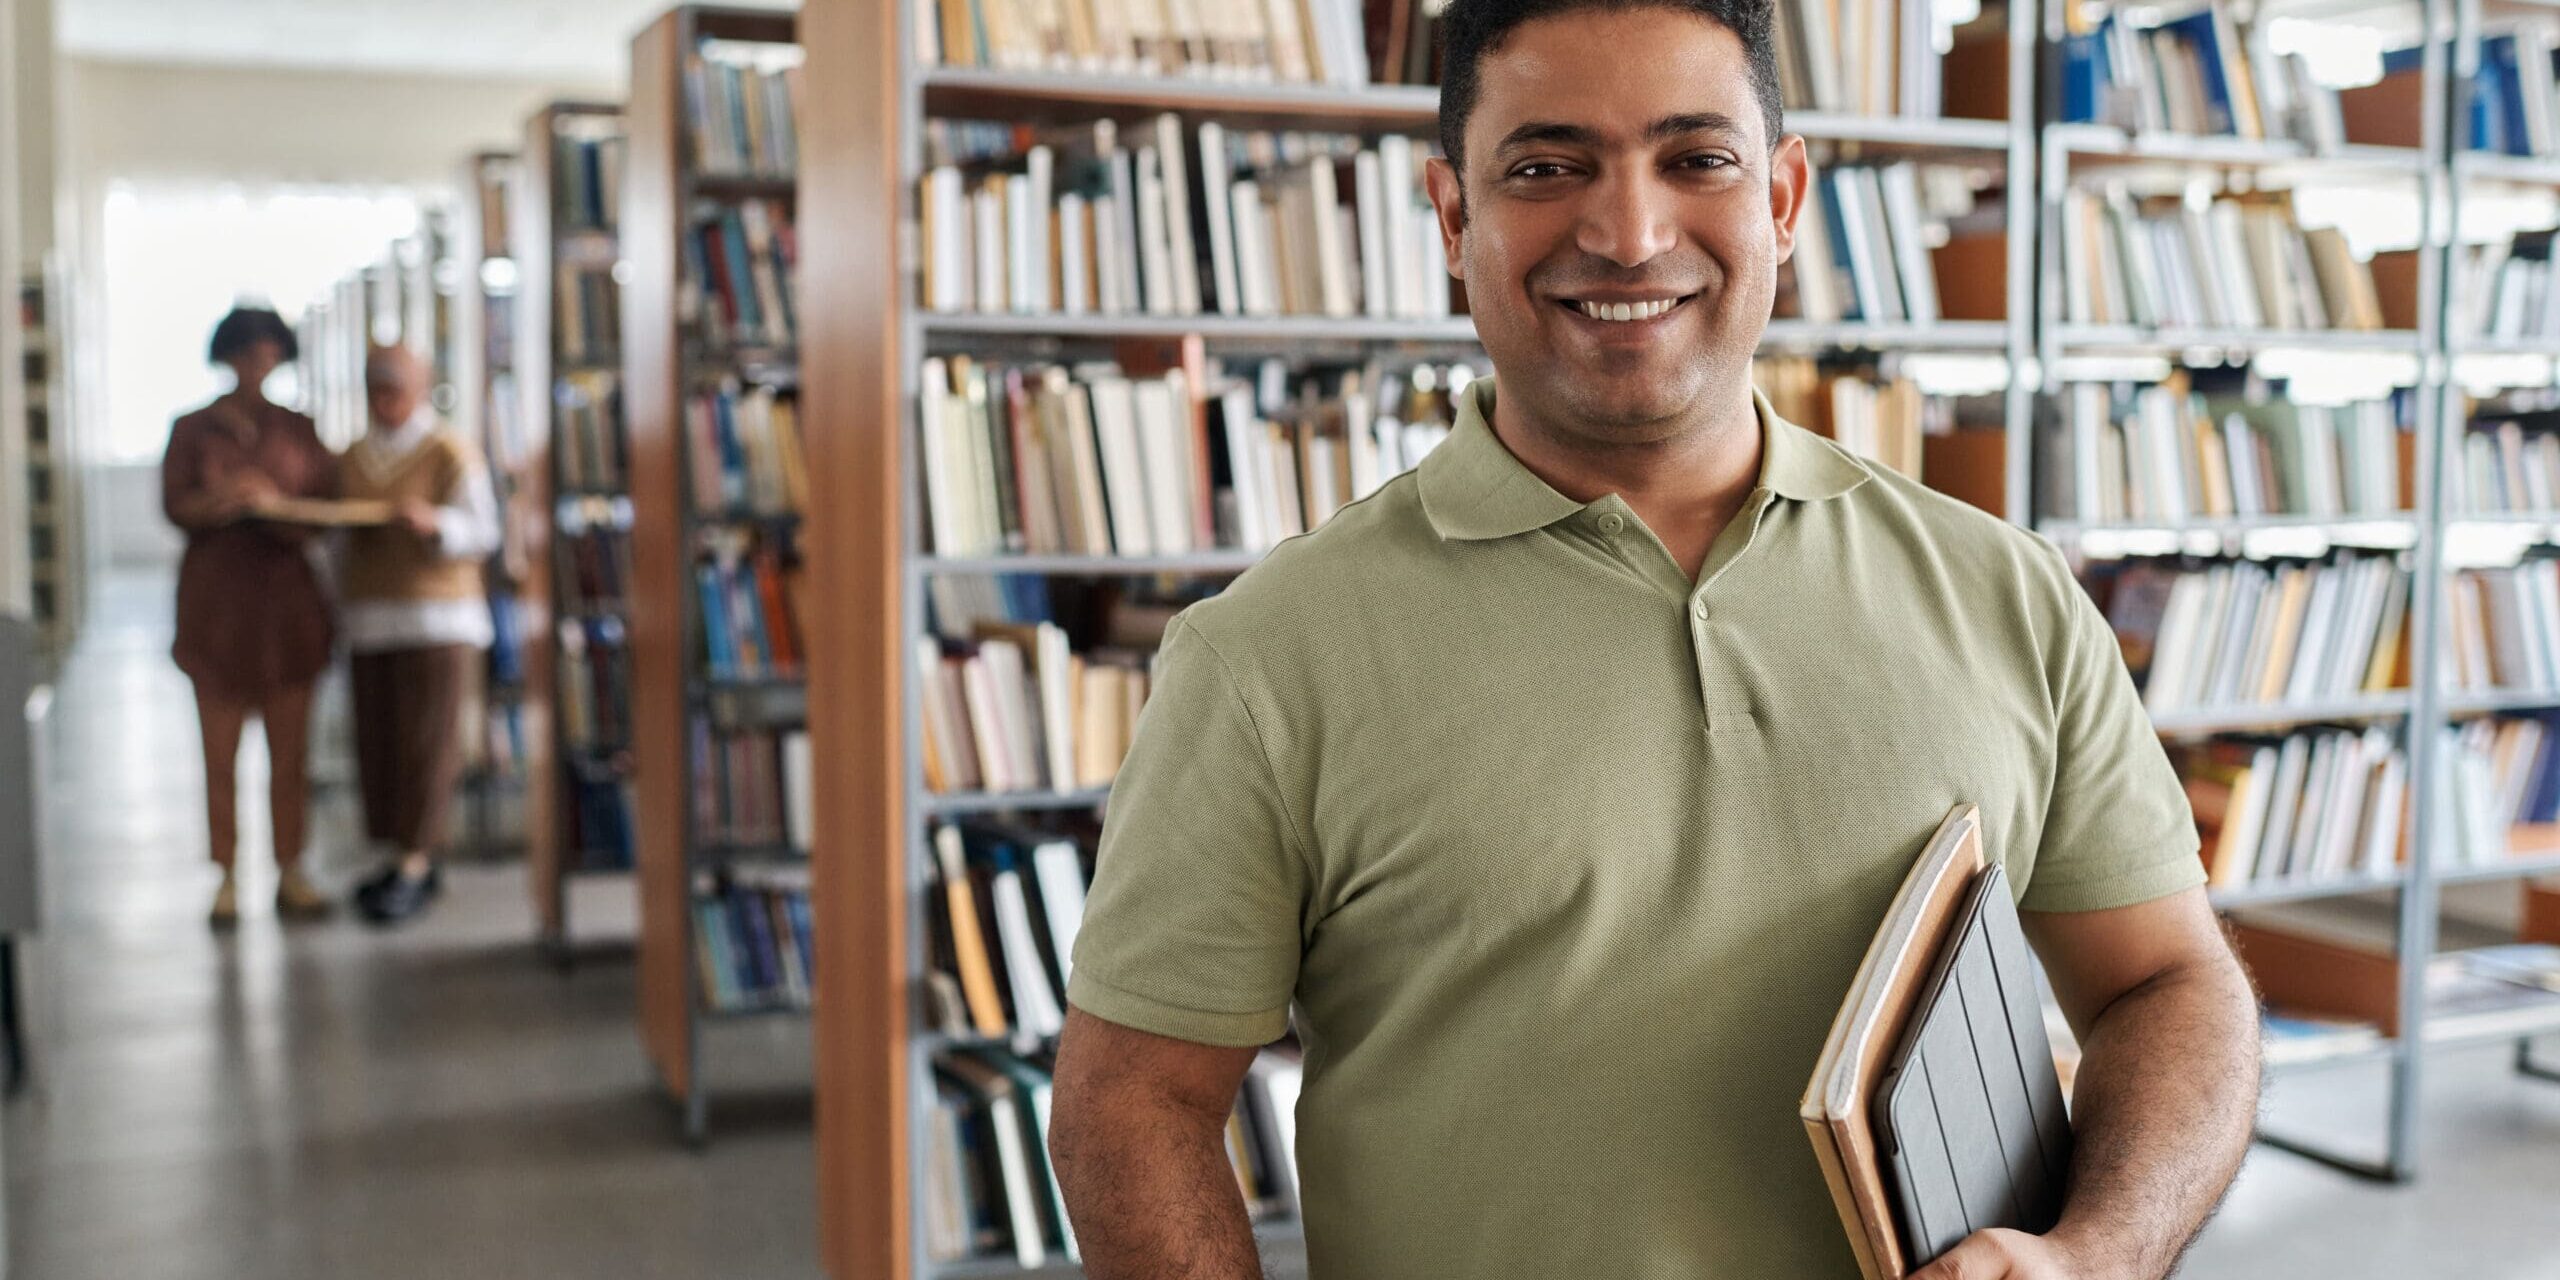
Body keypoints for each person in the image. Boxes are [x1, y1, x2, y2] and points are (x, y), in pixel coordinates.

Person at [1046, 2, 2262, 1278]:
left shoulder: (2007, 590)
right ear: (1453, 215)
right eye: (1544, 167)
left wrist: (2099, 1251)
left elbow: (2168, 984)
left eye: (1697, 159)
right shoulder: (1264, 655)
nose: (1627, 235)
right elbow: (1132, 1104)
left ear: (1784, 197)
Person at [161, 306, 339, 927]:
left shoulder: (298, 429)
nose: (256, 364)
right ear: (228, 356)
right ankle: (227, 875)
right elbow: (176, 505)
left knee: (291, 756)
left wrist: (272, 503)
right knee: (220, 754)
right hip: (217, 616)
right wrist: (225, 501)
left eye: (267, 352)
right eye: (245, 352)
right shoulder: (191, 428)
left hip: (287, 614)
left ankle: (291, 867)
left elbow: (325, 509)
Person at [338, 345, 502, 925]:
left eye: (396, 388)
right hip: (370, 622)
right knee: (378, 745)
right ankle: (395, 855)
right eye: (375, 389)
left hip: (436, 622)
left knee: (426, 746)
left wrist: (437, 526)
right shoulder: (354, 456)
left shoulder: (449, 450)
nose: (385, 401)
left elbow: (484, 530)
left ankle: (417, 857)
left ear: (422, 387)